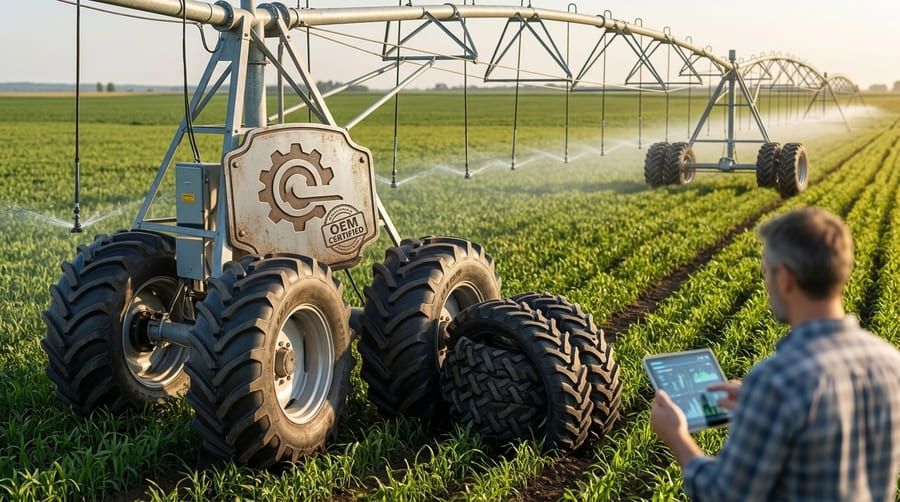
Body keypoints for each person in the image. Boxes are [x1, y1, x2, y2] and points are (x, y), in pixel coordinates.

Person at [650, 206, 900, 501]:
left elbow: (724, 495)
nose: (766, 283)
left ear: (784, 278)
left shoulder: (778, 381)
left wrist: (677, 438)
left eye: (765, 270)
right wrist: (763, 409)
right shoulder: (890, 362)